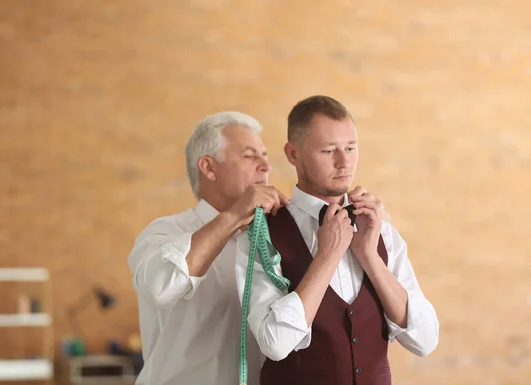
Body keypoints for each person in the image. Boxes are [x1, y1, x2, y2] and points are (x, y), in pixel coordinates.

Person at [235, 95, 439, 385]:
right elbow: (275, 343)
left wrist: (369, 256)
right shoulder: (261, 234)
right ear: (293, 154)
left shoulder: (380, 230)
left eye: (351, 148)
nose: (344, 162)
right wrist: (327, 256)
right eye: (329, 150)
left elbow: (425, 341)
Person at [127, 111, 289, 385]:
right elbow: (159, 288)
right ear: (209, 168)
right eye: (250, 156)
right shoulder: (164, 233)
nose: (265, 166)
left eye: (264, 156)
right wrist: (235, 216)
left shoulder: (274, 240)